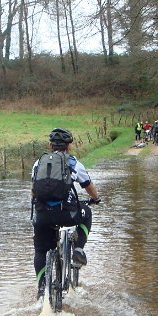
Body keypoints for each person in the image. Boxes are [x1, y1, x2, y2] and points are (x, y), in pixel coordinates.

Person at [31, 128, 101, 300]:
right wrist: (96, 198)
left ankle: (41, 289)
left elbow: (33, 191)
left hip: (42, 216)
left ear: (50, 145)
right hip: (66, 214)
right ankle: (78, 249)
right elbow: (88, 185)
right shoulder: (73, 163)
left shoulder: (38, 163)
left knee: (40, 250)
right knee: (87, 213)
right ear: (69, 145)